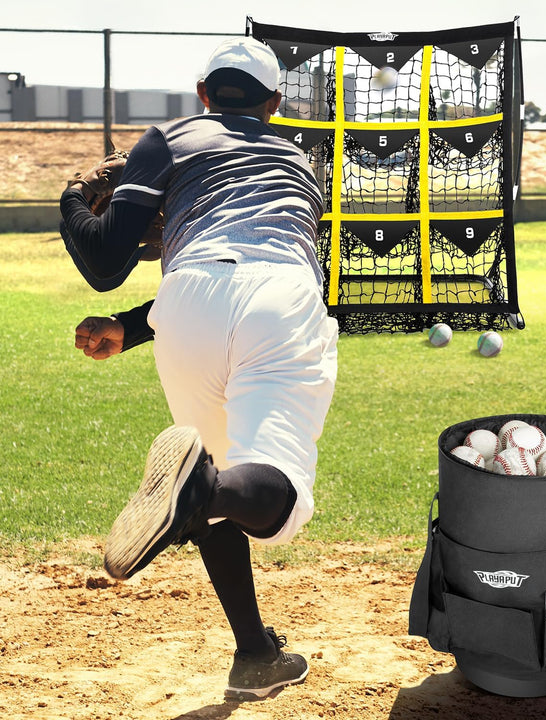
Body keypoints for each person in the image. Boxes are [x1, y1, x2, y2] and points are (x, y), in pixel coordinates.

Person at [60, 36, 338, 701]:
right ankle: (202, 496)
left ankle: (254, 656)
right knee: (270, 494)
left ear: (204, 93)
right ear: (272, 103)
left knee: (208, 468)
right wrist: (129, 326)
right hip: (283, 296)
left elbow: (105, 263)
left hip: (186, 301)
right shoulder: (300, 161)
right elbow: (255, 256)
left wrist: (72, 198)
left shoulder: (168, 138)